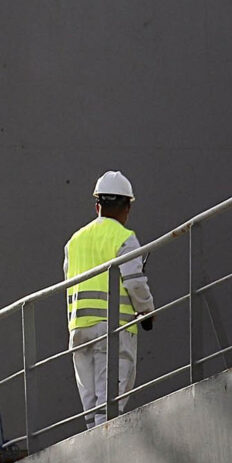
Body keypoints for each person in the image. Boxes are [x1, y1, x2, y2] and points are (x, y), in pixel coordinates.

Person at [65, 171, 156, 427]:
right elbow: (135, 282)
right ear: (127, 207)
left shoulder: (73, 242)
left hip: (79, 331)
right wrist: (147, 312)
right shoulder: (124, 238)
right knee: (110, 404)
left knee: (91, 407)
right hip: (112, 330)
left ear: (97, 206)